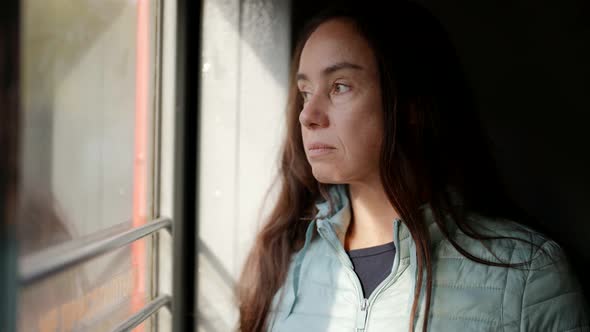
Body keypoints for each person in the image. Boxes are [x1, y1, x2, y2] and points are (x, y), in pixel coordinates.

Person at [236, 1, 589, 331]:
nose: (307, 116)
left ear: (411, 106)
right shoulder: (284, 262)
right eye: (305, 92)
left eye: (340, 87)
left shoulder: (528, 273)